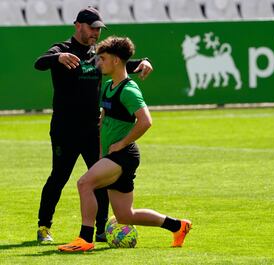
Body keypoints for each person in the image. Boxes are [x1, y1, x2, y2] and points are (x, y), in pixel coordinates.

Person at [57, 36, 191, 252]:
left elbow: (146, 121)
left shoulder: (129, 90)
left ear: (116, 61)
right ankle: (178, 226)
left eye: (103, 58)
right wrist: (102, 153)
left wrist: (121, 144)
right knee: (125, 215)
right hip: (114, 155)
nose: (99, 63)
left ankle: (84, 239)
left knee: (84, 184)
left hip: (124, 155)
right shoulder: (109, 85)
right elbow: (105, 122)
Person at [34, 7, 153, 244]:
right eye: (92, 28)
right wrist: (57, 58)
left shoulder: (96, 54)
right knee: (59, 176)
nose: (96, 33)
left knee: (99, 179)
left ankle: (100, 230)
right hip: (65, 130)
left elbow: (120, 64)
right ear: (78, 25)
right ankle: (44, 227)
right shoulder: (63, 50)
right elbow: (39, 63)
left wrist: (144, 62)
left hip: (93, 129)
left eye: (99, 29)